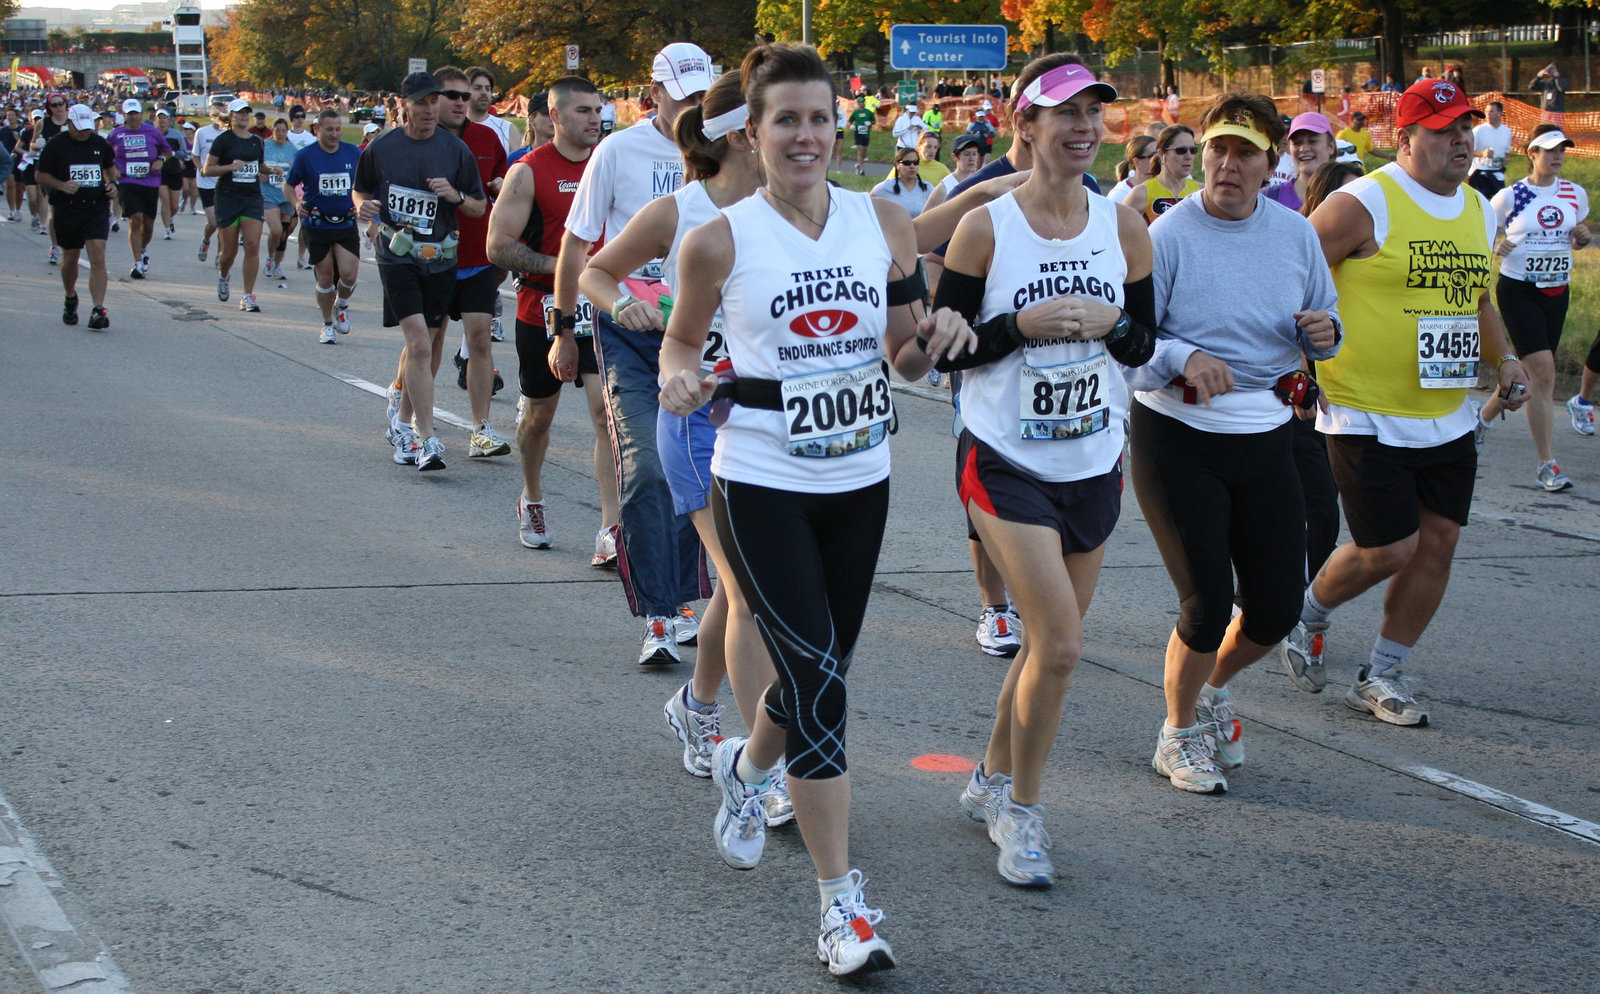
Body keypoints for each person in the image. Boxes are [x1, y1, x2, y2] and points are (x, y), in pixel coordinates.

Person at [657, 42, 975, 976]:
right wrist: (680, 381)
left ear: (842, 128)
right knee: (824, 683)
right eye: (785, 119)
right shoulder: (718, 237)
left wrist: (940, 333)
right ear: (751, 135)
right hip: (760, 479)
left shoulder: (883, 221)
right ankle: (844, 908)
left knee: (811, 678)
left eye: (819, 118)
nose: (805, 135)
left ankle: (748, 773)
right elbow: (682, 345)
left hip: (859, 479)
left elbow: (907, 356)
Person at [930, 60, 1154, 882]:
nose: (1084, 127)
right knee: (1059, 645)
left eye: (1094, 112)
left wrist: (1114, 322)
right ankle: (1022, 813)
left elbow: (1144, 345)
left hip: (1093, 454)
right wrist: (1017, 326)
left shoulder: (1124, 226)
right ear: (1025, 126)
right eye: (1065, 114)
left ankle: (990, 780)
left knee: (1043, 651)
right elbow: (940, 352)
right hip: (1005, 456)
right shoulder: (987, 227)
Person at [578, 71, 785, 820]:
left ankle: (697, 706)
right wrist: (627, 304)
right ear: (741, 135)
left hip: (765, 426)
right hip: (694, 423)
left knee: (739, 589)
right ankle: (768, 764)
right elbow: (597, 272)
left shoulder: (781, 214)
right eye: (775, 121)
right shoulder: (680, 212)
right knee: (752, 590)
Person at [1296, 78, 1532, 723]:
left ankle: (1384, 672)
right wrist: (1293, 364)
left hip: (1445, 409)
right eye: (1443, 129)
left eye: (1464, 128)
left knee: (1438, 543)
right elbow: (1290, 275)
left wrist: (1506, 361)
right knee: (1388, 548)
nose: (1460, 139)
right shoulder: (1363, 202)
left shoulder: (1480, 208)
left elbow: (1477, 300)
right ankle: (1306, 616)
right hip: (1361, 406)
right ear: (1404, 138)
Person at [1128, 94, 1341, 793]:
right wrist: (1184, 356)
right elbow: (1134, 346)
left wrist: (1326, 334)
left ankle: (1213, 690)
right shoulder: (1170, 236)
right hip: (1178, 433)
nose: (1225, 163)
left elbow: (1329, 318)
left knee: (1279, 605)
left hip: (1266, 430)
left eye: (1244, 151)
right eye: (1216, 148)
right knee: (1207, 604)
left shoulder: (1295, 234)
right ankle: (1177, 731)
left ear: (1271, 160)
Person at [553, 42, 713, 664]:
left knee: (696, 470)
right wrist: (566, 327)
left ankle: (681, 598)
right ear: (654, 96)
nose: (695, 109)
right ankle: (657, 614)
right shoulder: (617, 152)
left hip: (700, 333)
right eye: (683, 98)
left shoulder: (728, 156)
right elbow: (578, 247)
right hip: (628, 332)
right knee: (647, 465)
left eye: (704, 97)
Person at [488, 76, 619, 556]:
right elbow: (497, 246)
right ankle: (532, 495)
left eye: (598, 110)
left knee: (607, 415)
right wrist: (564, 268)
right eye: (583, 111)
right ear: (555, 117)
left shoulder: (614, 164)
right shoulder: (528, 171)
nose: (594, 119)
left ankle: (610, 528)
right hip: (541, 311)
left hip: (600, 309)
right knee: (539, 418)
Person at [354, 70, 487, 472]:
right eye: (422, 103)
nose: (430, 110)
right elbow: (360, 188)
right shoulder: (382, 148)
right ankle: (425, 437)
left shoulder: (455, 150)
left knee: (426, 344)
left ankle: (401, 420)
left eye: (434, 102)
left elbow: (479, 206)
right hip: (397, 256)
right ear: (403, 106)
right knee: (418, 342)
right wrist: (364, 205)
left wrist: (456, 195)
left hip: (441, 258)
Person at [1475, 126, 1592, 491]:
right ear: (1531, 153)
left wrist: (1581, 239)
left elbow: (1575, 236)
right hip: (1518, 290)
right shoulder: (1510, 197)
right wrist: (1496, 247)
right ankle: (1547, 464)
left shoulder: (1575, 194)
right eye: (1549, 150)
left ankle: (1482, 419)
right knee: (1543, 372)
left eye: (1562, 150)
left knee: (1530, 370)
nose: (1557, 156)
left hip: (1558, 291)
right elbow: (1483, 240)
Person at [428, 65, 512, 461]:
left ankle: (480, 429)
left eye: (468, 96)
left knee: (479, 338)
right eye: (455, 95)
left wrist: (500, 186)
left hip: (477, 255)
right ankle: (409, 410)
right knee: (428, 341)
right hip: (432, 257)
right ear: (435, 98)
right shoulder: (418, 141)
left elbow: (502, 182)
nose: (463, 102)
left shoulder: (486, 138)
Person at [284, 109, 362, 344]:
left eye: (338, 129)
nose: (334, 134)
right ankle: (327, 324)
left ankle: (342, 304)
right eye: (329, 129)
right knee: (326, 278)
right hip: (316, 223)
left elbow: (365, 182)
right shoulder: (306, 156)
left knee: (348, 275)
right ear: (317, 129)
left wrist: (363, 204)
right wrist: (297, 203)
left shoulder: (353, 152)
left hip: (346, 222)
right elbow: (288, 186)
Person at [36, 103, 116, 330]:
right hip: (67, 208)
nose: (84, 133)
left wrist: (113, 185)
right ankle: (70, 296)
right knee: (70, 258)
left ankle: (98, 309)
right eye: (79, 128)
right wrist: (61, 185)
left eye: (87, 128)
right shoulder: (55, 146)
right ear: (69, 124)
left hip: (96, 207)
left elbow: (111, 170)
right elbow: (40, 175)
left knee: (98, 257)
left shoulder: (100, 143)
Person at [205, 98, 279, 313]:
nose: (244, 116)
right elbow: (207, 170)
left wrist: (271, 170)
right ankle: (224, 274)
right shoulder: (223, 140)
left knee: (253, 244)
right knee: (228, 253)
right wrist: (230, 167)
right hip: (227, 198)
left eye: (247, 112)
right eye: (239, 113)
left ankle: (247, 296)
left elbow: (259, 166)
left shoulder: (257, 141)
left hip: (251, 198)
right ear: (231, 116)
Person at [106, 98, 168, 280]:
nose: (133, 117)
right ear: (124, 115)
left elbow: (167, 151)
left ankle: (142, 249)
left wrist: (160, 160)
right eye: (129, 114)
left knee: (148, 225)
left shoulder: (153, 132)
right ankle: (137, 263)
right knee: (135, 219)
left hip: (150, 182)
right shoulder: (116, 134)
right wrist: (112, 171)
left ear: (141, 114)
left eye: (136, 113)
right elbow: (106, 156)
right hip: (127, 181)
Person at [1124, 124, 1199, 223]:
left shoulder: (1200, 191)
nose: (1189, 156)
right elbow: (1116, 231)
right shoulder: (1141, 193)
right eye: (1181, 150)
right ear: (1161, 154)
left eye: (1193, 150)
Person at [1265, 112, 1335, 212]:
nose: (1303, 149)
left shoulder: (1348, 195)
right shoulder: (1271, 197)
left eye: (1312, 141)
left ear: (1331, 147)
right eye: (1297, 143)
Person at [191, 94, 230, 263]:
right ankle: (206, 240)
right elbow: (195, 155)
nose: (219, 117)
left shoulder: (228, 134)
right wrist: (200, 168)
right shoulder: (202, 132)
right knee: (213, 223)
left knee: (223, 222)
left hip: (223, 183)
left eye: (223, 113)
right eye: (217, 113)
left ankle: (219, 256)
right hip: (206, 182)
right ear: (211, 115)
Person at [260, 118, 300, 280]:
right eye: (278, 131)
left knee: (284, 233)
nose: (281, 134)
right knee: (276, 230)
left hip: (285, 196)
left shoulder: (293, 150)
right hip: (268, 194)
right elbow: (255, 164)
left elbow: (298, 172)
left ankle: (276, 265)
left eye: (284, 131)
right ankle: (270, 258)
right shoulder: (264, 146)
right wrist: (260, 173)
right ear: (273, 131)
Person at [922, 131, 983, 212]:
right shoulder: (944, 188)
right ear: (954, 157)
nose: (971, 159)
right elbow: (924, 218)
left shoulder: (981, 182)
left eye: (974, 154)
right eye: (967, 154)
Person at [467, 66, 520, 154]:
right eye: (477, 88)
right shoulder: (455, 128)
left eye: (487, 89)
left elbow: (515, 165)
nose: (484, 92)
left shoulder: (507, 129)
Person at [870, 145, 933, 217]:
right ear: (897, 165)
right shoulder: (885, 188)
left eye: (915, 162)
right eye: (907, 163)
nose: (912, 166)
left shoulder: (928, 188)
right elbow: (867, 205)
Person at [1467, 101, 1511, 202]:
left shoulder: (1506, 131)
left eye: (1491, 111)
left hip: (1497, 173)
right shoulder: (1478, 130)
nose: (1488, 114)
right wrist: (1482, 154)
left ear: (1499, 113)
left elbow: (1507, 155)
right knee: (1480, 204)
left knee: (1499, 202)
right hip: (1479, 173)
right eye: (1486, 111)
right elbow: (1468, 151)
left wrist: (1505, 160)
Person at [154, 108, 186, 238]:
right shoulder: (153, 134)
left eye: (164, 118)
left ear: (169, 120)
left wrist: (173, 154)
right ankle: (167, 229)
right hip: (159, 172)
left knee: (174, 205)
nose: (162, 120)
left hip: (174, 171)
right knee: (165, 202)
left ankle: (170, 219)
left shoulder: (176, 134)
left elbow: (184, 153)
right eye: (159, 118)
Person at [1107, 134, 1157, 203]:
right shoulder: (1120, 194)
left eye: (1161, 154)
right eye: (1154, 155)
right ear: (1137, 162)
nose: (1161, 159)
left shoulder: (1164, 187)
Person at [846, 92, 873, 175]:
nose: (862, 103)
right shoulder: (855, 113)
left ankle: (858, 164)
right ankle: (861, 169)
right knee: (860, 149)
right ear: (858, 103)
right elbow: (849, 121)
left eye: (863, 102)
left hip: (866, 133)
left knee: (864, 152)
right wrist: (852, 126)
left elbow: (873, 120)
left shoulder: (868, 112)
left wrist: (870, 123)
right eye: (861, 102)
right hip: (858, 133)